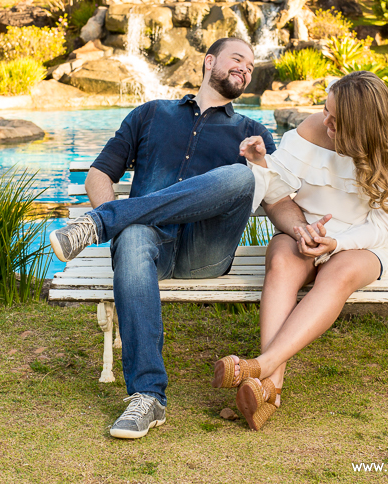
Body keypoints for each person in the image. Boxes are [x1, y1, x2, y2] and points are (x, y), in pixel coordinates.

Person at [49, 37, 311, 439]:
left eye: (250, 65)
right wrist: (124, 225)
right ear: (209, 62)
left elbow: (277, 201)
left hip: (207, 250)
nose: (245, 68)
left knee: (244, 174)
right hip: (147, 248)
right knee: (134, 235)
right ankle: (148, 398)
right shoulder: (150, 114)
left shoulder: (253, 131)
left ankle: (101, 223)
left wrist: (299, 225)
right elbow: (99, 175)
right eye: (237, 59)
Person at [212, 71, 388, 431]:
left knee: (338, 274)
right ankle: (271, 387)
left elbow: (386, 229)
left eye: (335, 119)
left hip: (362, 242)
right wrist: (261, 163)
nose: (325, 121)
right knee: (280, 259)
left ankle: (262, 369)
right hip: (308, 232)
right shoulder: (313, 129)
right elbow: (280, 187)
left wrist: (338, 243)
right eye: (326, 110)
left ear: (361, 126)